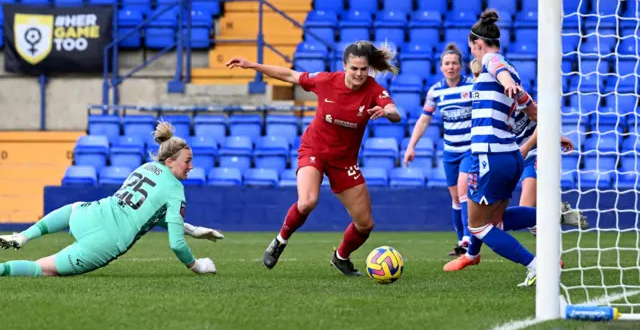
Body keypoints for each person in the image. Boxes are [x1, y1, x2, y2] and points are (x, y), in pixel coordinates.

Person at [226, 40, 402, 276]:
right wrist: (251, 65)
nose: (359, 74)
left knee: (365, 225)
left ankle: (341, 257)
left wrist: (386, 112)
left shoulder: (373, 89)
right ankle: (280, 241)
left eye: (363, 69)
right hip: (314, 150)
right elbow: (290, 75)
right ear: (344, 66)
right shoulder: (326, 81)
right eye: (354, 68)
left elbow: (394, 111)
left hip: (344, 161)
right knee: (308, 201)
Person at [0, 121, 223, 277]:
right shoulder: (175, 190)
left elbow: (149, 212)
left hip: (92, 212)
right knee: (42, 269)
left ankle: (23, 236)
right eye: (187, 161)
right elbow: (176, 243)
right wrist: (197, 265)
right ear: (170, 162)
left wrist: (193, 230)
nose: (191, 166)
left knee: (73, 208)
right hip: (107, 240)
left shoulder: (146, 167)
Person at [443, 45, 587, 286]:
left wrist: (534, 142)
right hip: (513, 154)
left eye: (478, 75)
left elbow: (538, 115)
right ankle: (554, 220)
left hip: (529, 153)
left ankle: (546, 260)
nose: (478, 81)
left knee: (499, 216)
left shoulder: (503, 90)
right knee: (494, 221)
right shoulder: (492, 97)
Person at [404, 43, 475, 257]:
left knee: (463, 190)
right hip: (450, 151)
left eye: (454, 63)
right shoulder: (435, 91)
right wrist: (411, 146)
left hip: (470, 149)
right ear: (441, 67)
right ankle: (460, 240)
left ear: (461, 66)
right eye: (447, 63)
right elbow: (424, 120)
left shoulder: (473, 86)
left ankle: (467, 239)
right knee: (455, 198)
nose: (451, 67)